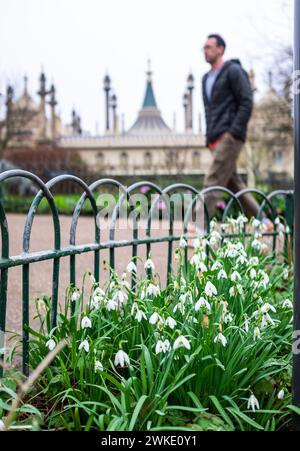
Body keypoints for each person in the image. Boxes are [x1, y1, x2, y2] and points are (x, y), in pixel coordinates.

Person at [190, 34, 273, 234]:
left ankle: (198, 227)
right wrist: (209, 138)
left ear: (220, 49)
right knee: (233, 183)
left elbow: (246, 101)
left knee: (214, 178)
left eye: (209, 47)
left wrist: (234, 133)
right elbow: (210, 111)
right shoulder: (205, 78)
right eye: (204, 47)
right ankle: (262, 220)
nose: (205, 50)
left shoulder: (233, 71)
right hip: (215, 138)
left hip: (230, 137)